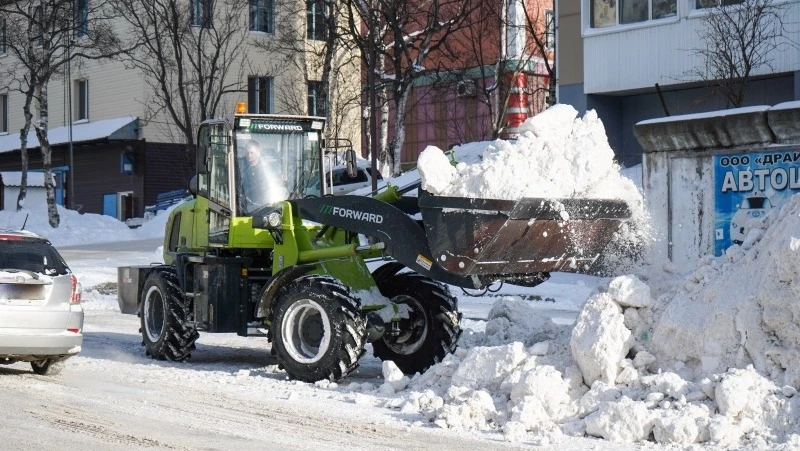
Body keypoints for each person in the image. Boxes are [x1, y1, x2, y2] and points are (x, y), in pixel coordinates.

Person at [239, 140, 287, 213]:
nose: (249, 155)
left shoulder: (268, 168)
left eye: (252, 153)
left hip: (265, 203)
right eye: (247, 153)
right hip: (246, 205)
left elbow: (273, 185)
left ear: (258, 153)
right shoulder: (240, 166)